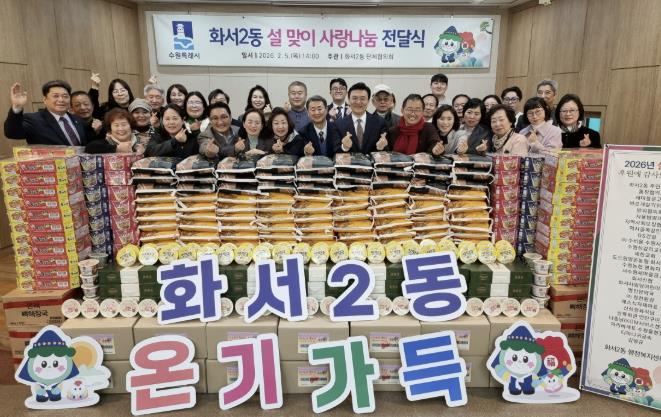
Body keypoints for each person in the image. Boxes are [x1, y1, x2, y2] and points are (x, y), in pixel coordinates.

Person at [5, 80, 93, 146]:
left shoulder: (77, 119)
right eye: (55, 96)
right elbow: (12, 133)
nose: (61, 100)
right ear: (45, 100)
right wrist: (17, 107)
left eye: (65, 96)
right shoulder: (34, 120)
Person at [335, 82, 388, 154]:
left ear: (368, 101)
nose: (358, 102)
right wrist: (344, 147)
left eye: (362, 99)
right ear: (348, 100)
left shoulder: (380, 122)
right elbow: (335, 150)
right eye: (354, 98)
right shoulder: (339, 124)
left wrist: (381, 147)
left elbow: (387, 149)